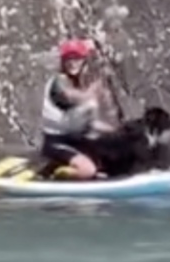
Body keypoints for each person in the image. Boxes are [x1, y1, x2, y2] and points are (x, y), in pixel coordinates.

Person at [39, 38, 116, 180]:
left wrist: (116, 131)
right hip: (56, 142)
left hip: (77, 141)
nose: (72, 63)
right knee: (87, 170)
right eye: (68, 59)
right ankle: (55, 173)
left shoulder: (81, 84)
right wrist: (94, 92)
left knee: (111, 155)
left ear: (83, 62)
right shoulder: (59, 82)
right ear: (63, 62)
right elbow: (71, 96)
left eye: (77, 59)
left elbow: (90, 124)